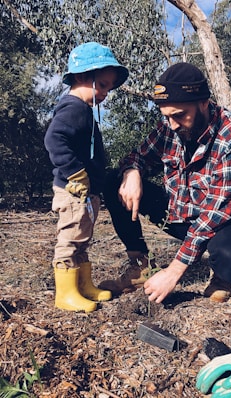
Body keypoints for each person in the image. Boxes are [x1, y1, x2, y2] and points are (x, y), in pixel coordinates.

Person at [99, 62, 231, 304]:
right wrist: (132, 172)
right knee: (114, 180)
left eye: (179, 115)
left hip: (226, 221)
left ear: (204, 103)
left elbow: (217, 211)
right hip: (182, 213)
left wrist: (175, 270)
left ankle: (223, 278)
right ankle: (140, 266)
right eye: (166, 116)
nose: (173, 124)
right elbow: (138, 156)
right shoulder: (170, 126)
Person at [44, 42, 129, 312]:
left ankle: (83, 285)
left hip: (84, 191)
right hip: (73, 191)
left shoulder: (83, 110)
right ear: (82, 77)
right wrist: (75, 173)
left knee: (82, 237)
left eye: (108, 87)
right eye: (102, 85)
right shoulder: (74, 109)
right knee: (70, 238)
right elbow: (54, 139)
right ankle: (65, 294)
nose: (105, 93)